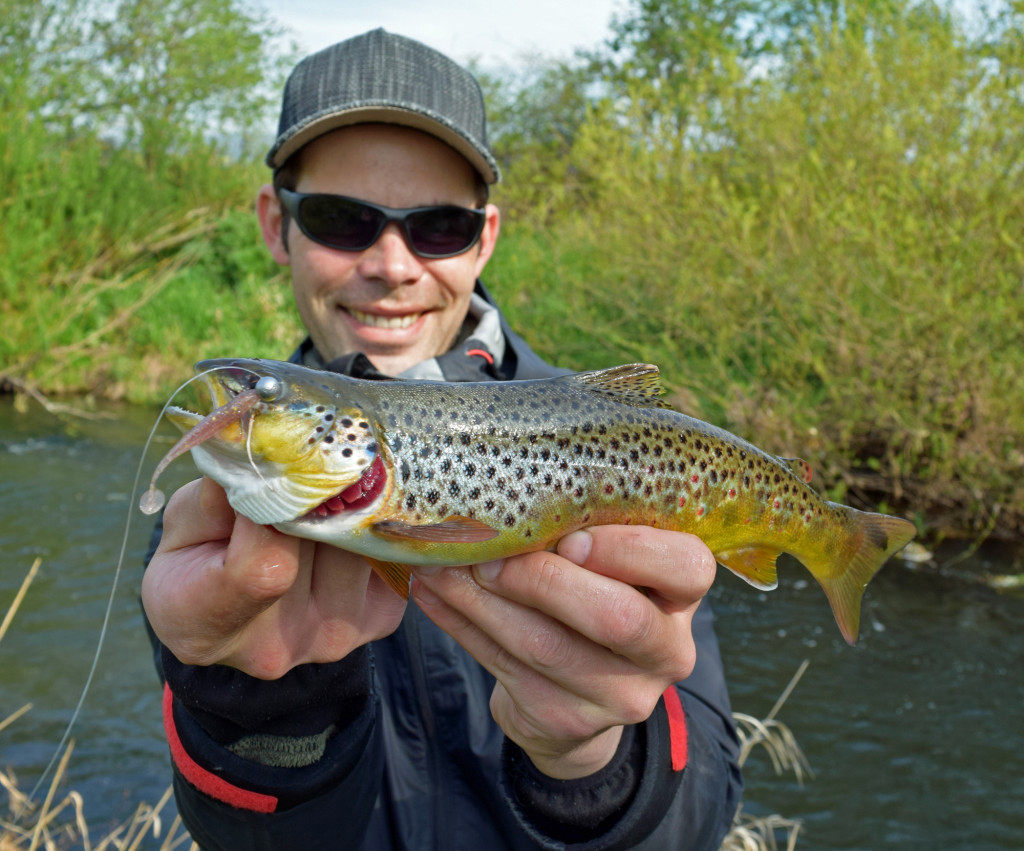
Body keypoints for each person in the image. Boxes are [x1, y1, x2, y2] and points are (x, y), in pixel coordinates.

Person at [141, 28, 743, 850]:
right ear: (276, 225)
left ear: (485, 237)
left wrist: (594, 759)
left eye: (437, 226)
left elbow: (702, 821)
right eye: (341, 219)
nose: (391, 264)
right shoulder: (223, 499)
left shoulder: (628, 448)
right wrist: (262, 708)